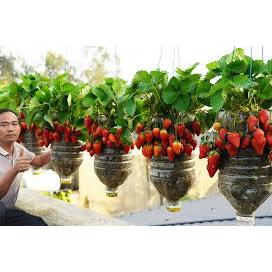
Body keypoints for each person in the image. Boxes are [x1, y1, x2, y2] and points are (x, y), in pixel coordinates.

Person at [0, 108, 52, 226]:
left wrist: (60, 148)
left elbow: (38, 161)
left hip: (8, 211)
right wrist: (14, 170)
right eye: (4, 125)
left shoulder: (18, 148)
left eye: (14, 124)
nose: (10, 129)